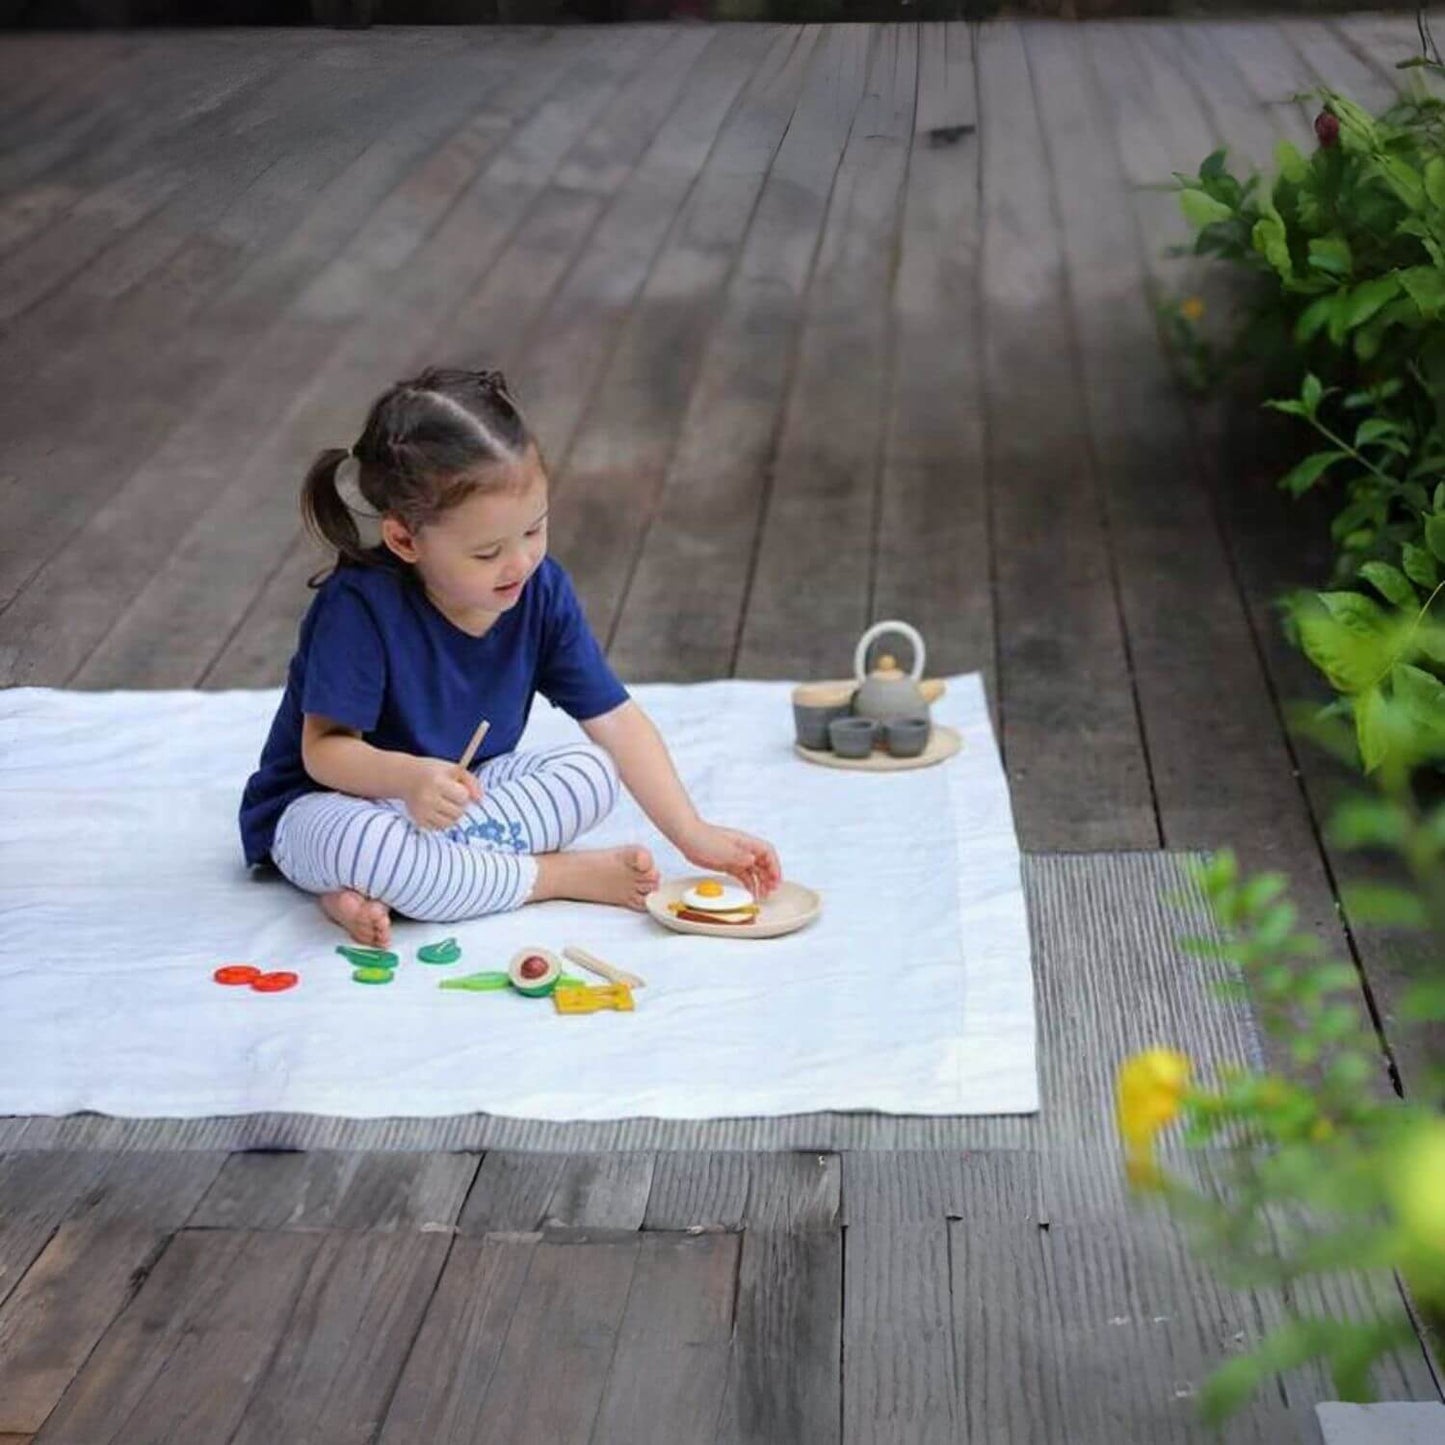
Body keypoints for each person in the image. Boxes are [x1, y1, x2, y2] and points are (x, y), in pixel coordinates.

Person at [239, 366, 781, 948]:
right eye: (488, 551)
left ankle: (414, 880)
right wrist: (410, 778)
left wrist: (691, 832)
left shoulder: (540, 591)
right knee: (366, 843)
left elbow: (617, 722)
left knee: (592, 774)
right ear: (405, 541)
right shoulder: (360, 605)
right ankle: (547, 878)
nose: (520, 563)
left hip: (456, 799)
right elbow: (323, 753)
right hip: (327, 805)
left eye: (535, 530)